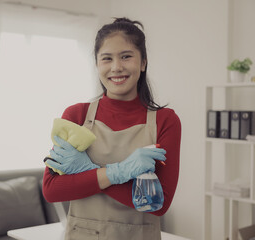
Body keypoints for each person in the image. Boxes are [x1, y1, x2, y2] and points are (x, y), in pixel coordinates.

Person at [42, 17, 181, 240]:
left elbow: (158, 205)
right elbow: (52, 189)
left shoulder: (165, 121)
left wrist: (88, 172)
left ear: (143, 62)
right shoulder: (76, 115)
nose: (116, 67)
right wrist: (118, 173)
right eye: (107, 58)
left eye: (126, 56)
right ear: (97, 64)